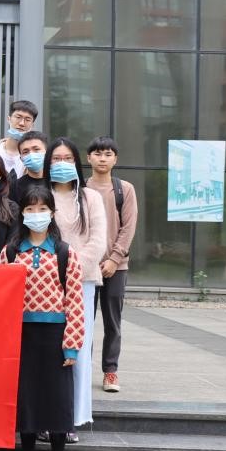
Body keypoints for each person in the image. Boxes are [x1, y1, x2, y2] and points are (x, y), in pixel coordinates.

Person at [0, 184, 84, 451]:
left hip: (55, 337)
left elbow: (75, 302)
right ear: (22, 213)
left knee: (57, 402)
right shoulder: (11, 252)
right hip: (21, 335)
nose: (36, 214)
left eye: (42, 209)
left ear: (52, 213)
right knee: (27, 401)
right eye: (30, 209)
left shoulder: (65, 253)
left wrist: (71, 345)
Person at [47, 137, 107, 443]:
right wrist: (51, 272)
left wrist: (70, 270)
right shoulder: (40, 196)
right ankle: (47, 417)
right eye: (56, 159)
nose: (61, 164)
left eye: (67, 158)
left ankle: (72, 417)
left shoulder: (90, 197)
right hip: (43, 284)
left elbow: (98, 241)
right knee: (48, 352)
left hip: (81, 282)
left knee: (78, 351)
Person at [86, 137, 138, 394]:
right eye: (97, 154)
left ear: (115, 159)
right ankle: (83, 370)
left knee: (112, 322)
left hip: (116, 268)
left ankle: (110, 371)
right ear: (88, 158)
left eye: (108, 154)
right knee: (84, 321)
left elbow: (128, 227)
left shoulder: (124, 189)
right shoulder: (81, 188)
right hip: (86, 267)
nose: (102, 158)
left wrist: (114, 259)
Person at [0, 99, 38, 178]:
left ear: (32, 125)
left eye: (27, 120)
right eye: (18, 117)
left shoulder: (35, 157)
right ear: (9, 119)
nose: (22, 123)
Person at [9, 130, 49, 204]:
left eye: (36, 149)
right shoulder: (14, 187)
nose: (31, 154)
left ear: (47, 153)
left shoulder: (57, 183)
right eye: (25, 152)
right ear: (21, 159)